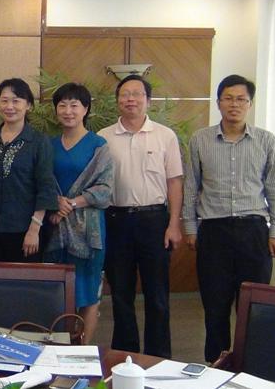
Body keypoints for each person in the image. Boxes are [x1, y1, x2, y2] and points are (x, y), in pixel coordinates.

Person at [183, 74, 275, 363]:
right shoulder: (200, 139)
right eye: (228, 98)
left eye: (241, 99)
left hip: (254, 231)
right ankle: (216, 365)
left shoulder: (265, 140)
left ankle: (250, 366)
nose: (234, 104)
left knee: (253, 305)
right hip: (214, 232)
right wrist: (190, 228)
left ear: (250, 104)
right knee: (214, 304)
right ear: (218, 103)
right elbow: (191, 186)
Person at [98, 75, 183, 358]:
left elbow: (174, 182)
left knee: (157, 295)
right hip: (116, 221)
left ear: (148, 100)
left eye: (137, 94)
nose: (130, 99)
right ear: (117, 100)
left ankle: (158, 359)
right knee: (121, 295)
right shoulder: (104, 137)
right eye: (125, 94)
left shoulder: (165, 135)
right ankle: (126, 357)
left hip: (154, 221)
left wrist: (174, 224)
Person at [44, 83, 113, 344]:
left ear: (85, 109)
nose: (68, 111)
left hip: (88, 231)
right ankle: (59, 347)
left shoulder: (98, 145)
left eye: (74, 105)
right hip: (54, 229)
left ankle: (82, 350)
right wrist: (55, 201)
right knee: (58, 290)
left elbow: (105, 189)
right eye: (62, 105)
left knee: (88, 292)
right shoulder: (48, 145)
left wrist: (71, 203)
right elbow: (41, 182)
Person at [0, 78, 57, 262]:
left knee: (24, 280)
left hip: (26, 231)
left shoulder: (38, 141)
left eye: (16, 101)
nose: (9, 106)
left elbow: (46, 187)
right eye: (4, 100)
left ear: (28, 105)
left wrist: (34, 229)